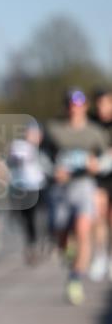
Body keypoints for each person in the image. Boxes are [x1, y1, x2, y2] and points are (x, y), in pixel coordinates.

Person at [42, 89, 109, 305]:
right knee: (61, 235)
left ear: (85, 107)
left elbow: (108, 156)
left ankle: (75, 280)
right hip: (61, 189)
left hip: (84, 186)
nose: (75, 108)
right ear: (67, 107)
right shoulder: (54, 130)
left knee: (82, 229)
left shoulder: (94, 132)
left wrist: (97, 165)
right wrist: (53, 170)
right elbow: (41, 156)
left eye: (79, 105)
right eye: (72, 104)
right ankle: (68, 252)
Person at [7, 123, 48, 265]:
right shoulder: (20, 146)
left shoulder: (44, 149)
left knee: (41, 217)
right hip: (24, 188)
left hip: (40, 186)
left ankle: (41, 241)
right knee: (27, 218)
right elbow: (13, 158)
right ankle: (31, 243)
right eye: (31, 133)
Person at [89, 87, 112, 281]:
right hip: (99, 177)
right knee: (99, 216)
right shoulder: (92, 122)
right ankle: (100, 256)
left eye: (107, 103)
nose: (103, 108)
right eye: (100, 104)